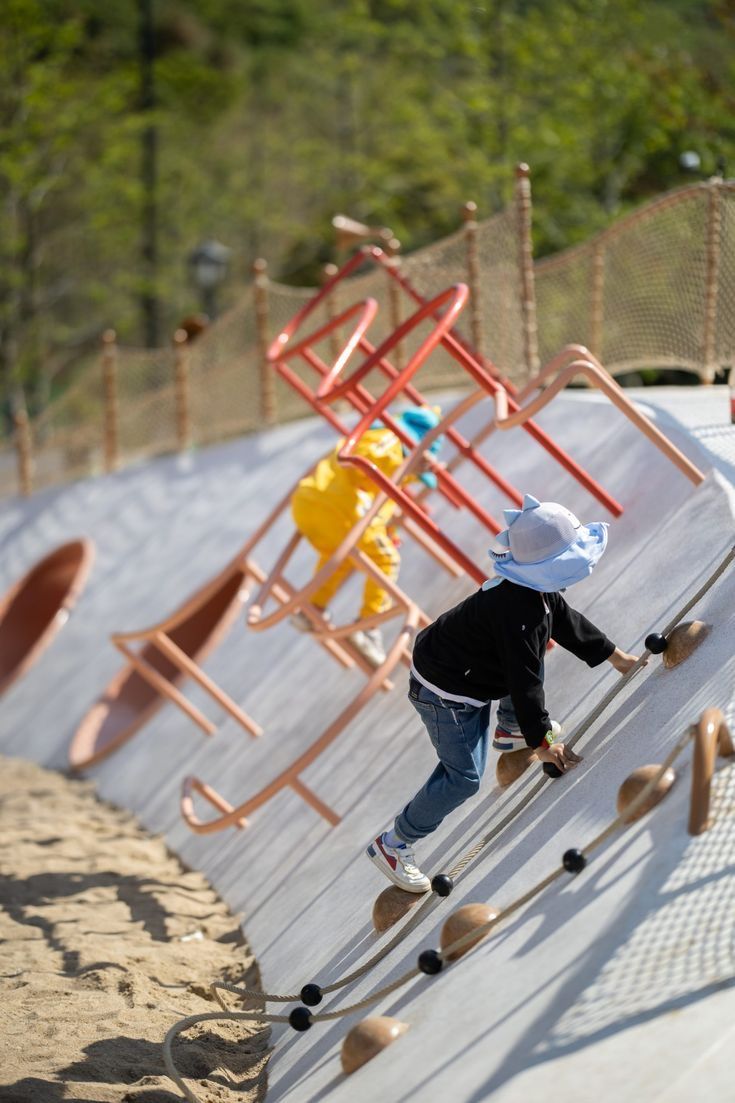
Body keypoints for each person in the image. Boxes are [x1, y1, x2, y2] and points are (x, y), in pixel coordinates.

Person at [366, 493, 643, 892]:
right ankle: (395, 843)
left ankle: (511, 729)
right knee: (463, 778)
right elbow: (525, 680)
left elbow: (565, 621)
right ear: (549, 566)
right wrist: (543, 741)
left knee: (533, 647)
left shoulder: (533, 591)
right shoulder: (520, 614)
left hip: (468, 666)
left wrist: (618, 658)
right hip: (445, 694)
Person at [290, 406, 443, 668]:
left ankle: (311, 607)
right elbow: (367, 461)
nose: (413, 479)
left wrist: (388, 531)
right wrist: (406, 464)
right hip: (342, 509)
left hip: (312, 505)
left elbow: (380, 505)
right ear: (415, 446)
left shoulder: (393, 465)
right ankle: (367, 627)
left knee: (342, 557)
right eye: (417, 470)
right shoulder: (390, 440)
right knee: (386, 560)